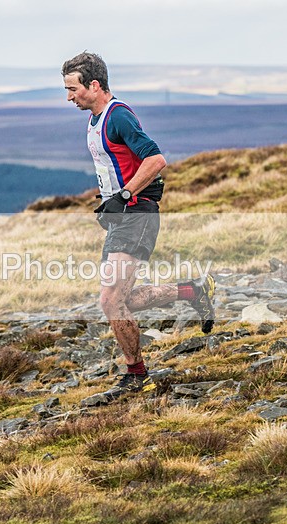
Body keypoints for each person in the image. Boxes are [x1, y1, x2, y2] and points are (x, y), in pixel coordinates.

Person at [62, 53, 215, 402]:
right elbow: (116, 164)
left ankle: (137, 375)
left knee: (110, 299)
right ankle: (194, 291)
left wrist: (126, 193)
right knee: (122, 298)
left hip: (138, 213)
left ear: (94, 85)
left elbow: (156, 159)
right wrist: (108, 199)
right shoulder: (95, 119)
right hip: (122, 216)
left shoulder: (118, 117)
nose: (69, 97)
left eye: (72, 89)